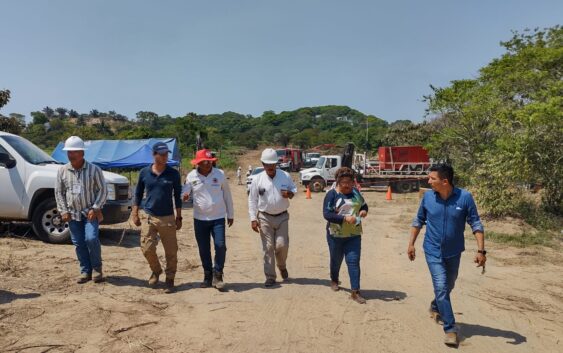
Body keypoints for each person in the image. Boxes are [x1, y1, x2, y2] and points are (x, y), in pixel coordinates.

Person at [408, 164, 486, 347]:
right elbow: (418, 220)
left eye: (432, 179)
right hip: (432, 251)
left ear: (445, 181)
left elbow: (475, 223)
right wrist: (411, 244)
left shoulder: (464, 197)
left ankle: (435, 306)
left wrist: (481, 250)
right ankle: (450, 329)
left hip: (454, 252)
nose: (428, 181)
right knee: (442, 287)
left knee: (448, 285)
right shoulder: (428, 197)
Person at [55, 136, 107, 284]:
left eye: (74, 152)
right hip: (72, 214)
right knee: (79, 243)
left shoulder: (94, 170)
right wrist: (63, 211)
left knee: (91, 238)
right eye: (69, 152)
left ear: (82, 153)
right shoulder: (62, 171)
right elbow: (59, 192)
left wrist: (96, 208)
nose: (71, 155)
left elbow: (103, 190)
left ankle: (97, 268)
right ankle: (85, 271)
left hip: (89, 213)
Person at [132, 142, 183, 294]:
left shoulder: (173, 173)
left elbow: (177, 196)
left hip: (167, 218)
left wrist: (179, 216)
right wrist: (135, 213)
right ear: (154, 155)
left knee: (171, 251)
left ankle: (170, 278)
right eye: (162, 154)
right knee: (146, 248)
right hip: (149, 216)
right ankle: (156, 270)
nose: (165, 157)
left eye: (167, 154)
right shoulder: (144, 172)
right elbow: (137, 194)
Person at [182, 149, 234, 290]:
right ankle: (207, 275)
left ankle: (218, 274)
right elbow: (185, 191)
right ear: (198, 163)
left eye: (210, 162)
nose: (207, 164)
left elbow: (227, 195)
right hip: (199, 219)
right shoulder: (191, 176)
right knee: (204, 249)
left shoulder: (220, 174)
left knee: (220, 245)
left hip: (218, 218)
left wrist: (230, 214)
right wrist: (185, 195)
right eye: (204, 162)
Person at [248, 148, 297, 287]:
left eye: (272, 164)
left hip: (282, 217)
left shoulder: (285, 176)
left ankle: (282, 266)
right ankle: (270, 276)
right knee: (268, 247)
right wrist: (253, 219)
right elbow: (252, 200)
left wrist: (289, 193)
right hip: (264, 217)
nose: (270, 167)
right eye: (267, 164)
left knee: (282, 245)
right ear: (262, 164)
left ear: (277, 163)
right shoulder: (257, 179)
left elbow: (294, 190)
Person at [323, 167, 368, 304]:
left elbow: (364, 205)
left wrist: (363, 212)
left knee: (353, 261)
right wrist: (344, 219)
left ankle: (355, 291)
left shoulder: (355, 192)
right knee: (336, 260)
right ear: (338, 182)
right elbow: (327, 214)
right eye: (343, 182)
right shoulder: (332, 194)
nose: (347, 185)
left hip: (354, 234)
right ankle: (334, 279)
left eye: (350, 182)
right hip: (335, 235)